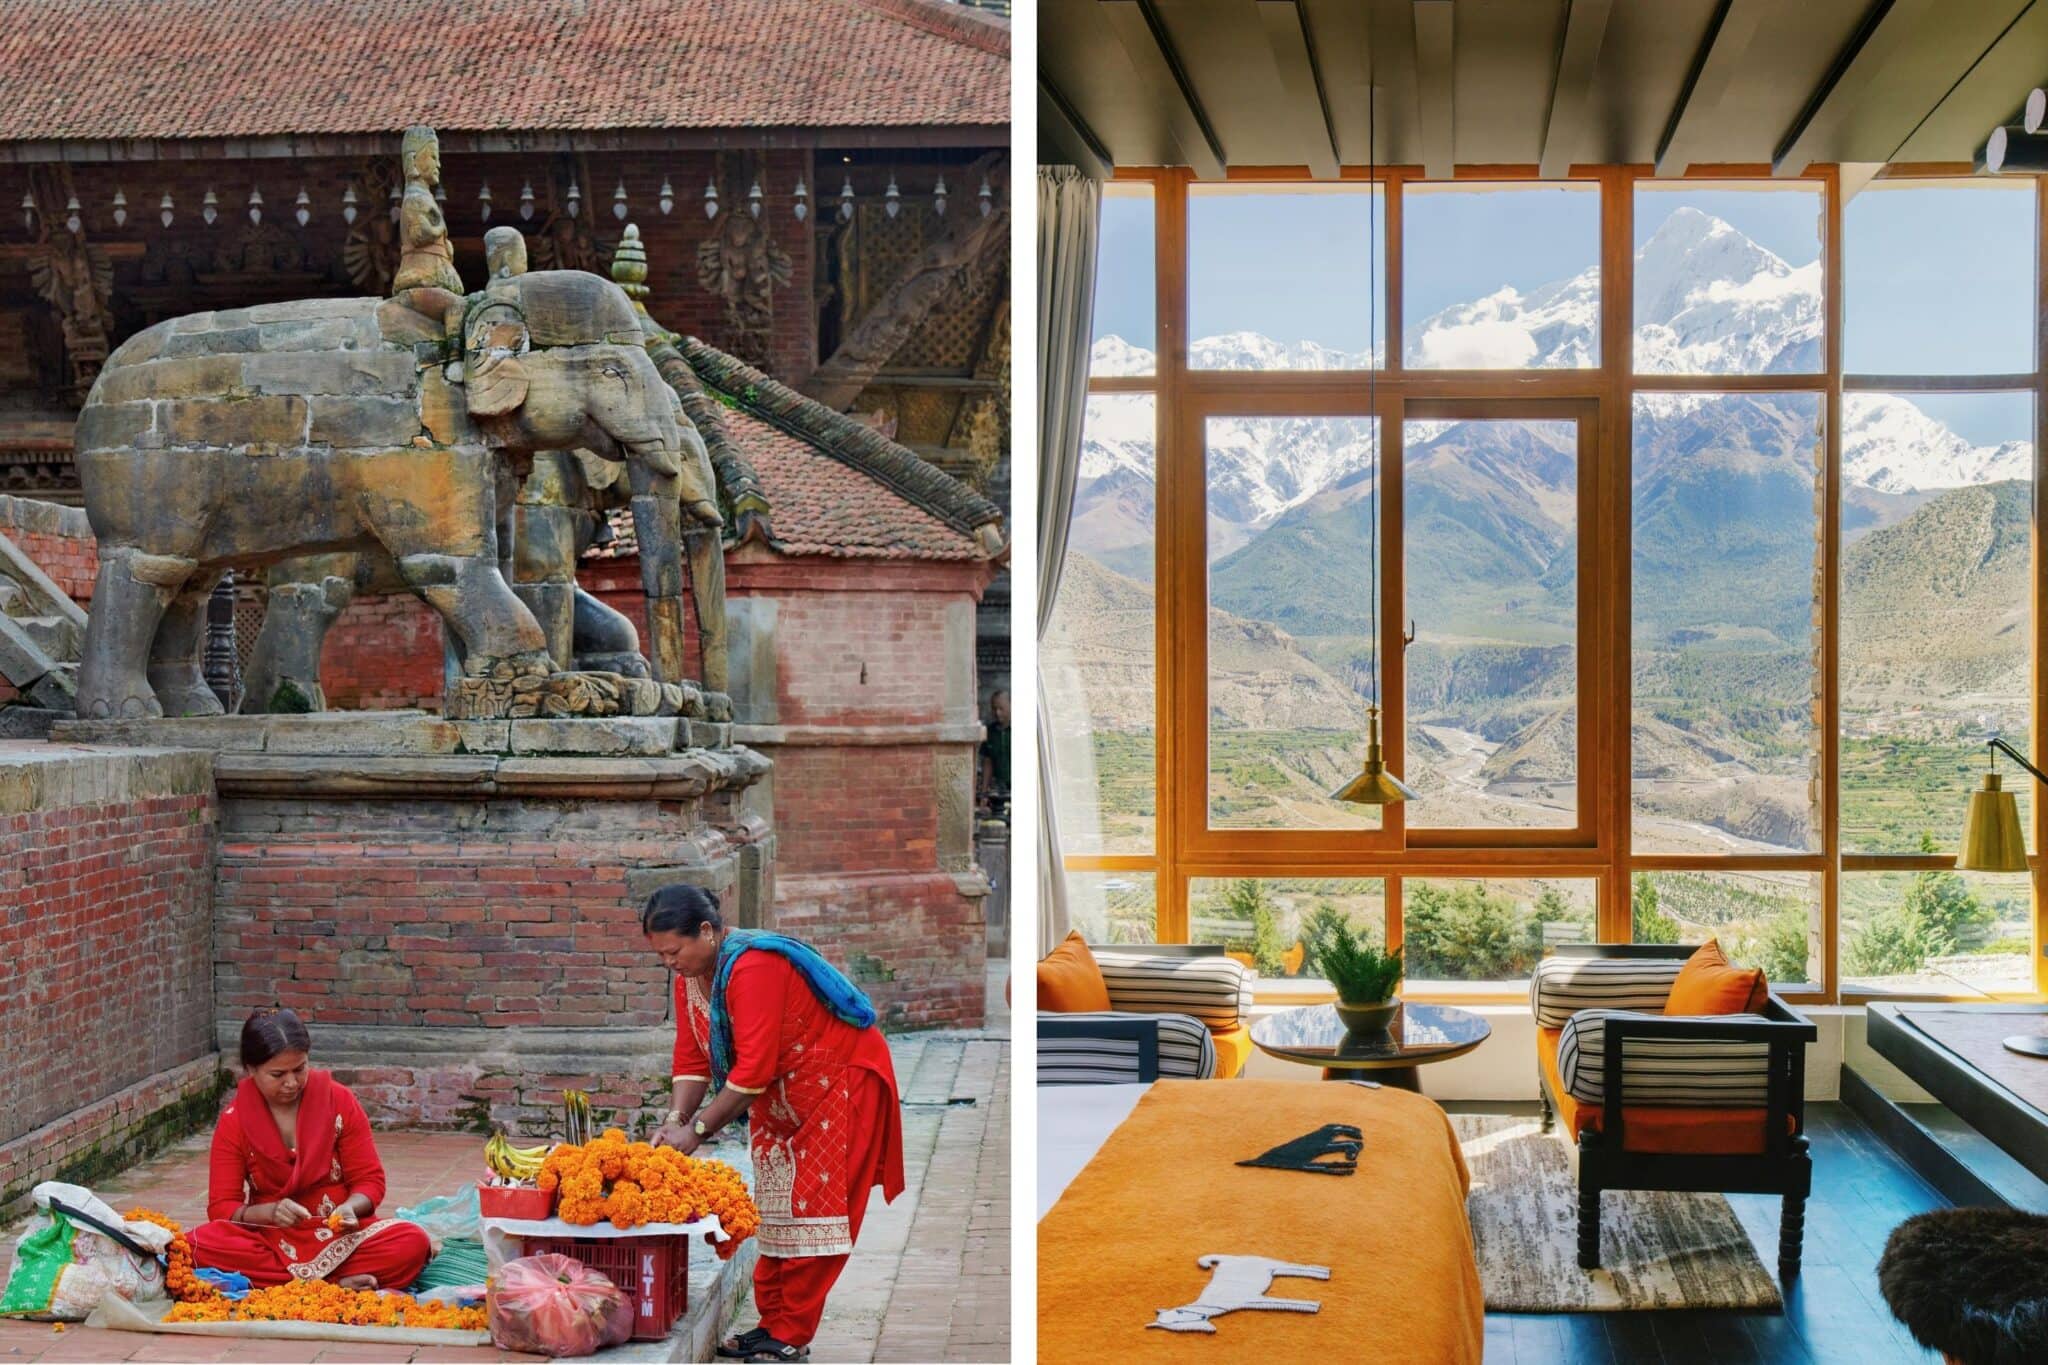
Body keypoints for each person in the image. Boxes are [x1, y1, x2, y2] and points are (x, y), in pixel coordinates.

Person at [644, 885, 905, 1364]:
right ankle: (773, 1325)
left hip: (838, 1083)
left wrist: (697, 1132)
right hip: (780, 1098)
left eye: (674, 951)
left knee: (816, 1215)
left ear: (706, 931)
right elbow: (690, 1056)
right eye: (660, 954)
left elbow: (754, 1069)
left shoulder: (753, 966)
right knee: (775, 1213)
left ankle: (790, 1332)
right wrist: (675, 1119)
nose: (669, 963)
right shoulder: (691, 975)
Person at [186, 1009, 432, 1290]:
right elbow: (221, 1207)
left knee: (412, 1242)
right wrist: (268, 1213)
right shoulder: (234, 1121)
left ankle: (299, 1285)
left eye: (299, 1069)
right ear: (251, 1069)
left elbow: (370, 1180)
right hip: (273, 1239)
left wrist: (350, 1208)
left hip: (342, 1237)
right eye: (277, 1074)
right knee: (197, 1244)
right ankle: (335, 1283)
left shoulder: (338, 1100)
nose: (291, 1083)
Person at [977, 687, 1011, 814]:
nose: (997, 713)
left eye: (1001, 708)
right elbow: (987, 762)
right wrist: (984, 794)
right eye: (994, 708)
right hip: (999, 789)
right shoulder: (990, 732)